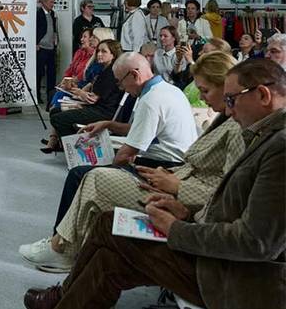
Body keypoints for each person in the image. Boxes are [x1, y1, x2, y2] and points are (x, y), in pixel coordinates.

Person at [23, 59, 286, 309]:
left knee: (109, 234)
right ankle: (63, 296)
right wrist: (185, 213)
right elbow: (232, 204)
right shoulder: (264, 135)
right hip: (213, 249)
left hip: (228, 273)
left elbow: (255, 242)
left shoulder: (277, 147)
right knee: (108, 242)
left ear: (263, 96)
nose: (229, 109)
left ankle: (62, 289)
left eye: (232, 100)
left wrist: (177, 228)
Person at [20, 52, 243, 273]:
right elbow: (141, 131)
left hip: (171, 172)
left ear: (134, 75)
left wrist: (176, 186)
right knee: (91, 176)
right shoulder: (168, 91)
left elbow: (226, 190)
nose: (121, 88)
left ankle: (61, 246)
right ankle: (63, 243)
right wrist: (109, 125)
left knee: (86, 175)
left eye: (120, 82)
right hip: (175, 171)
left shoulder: (154, 100)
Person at [41, 40, 125, 153]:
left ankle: (76, 150)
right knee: (55, 111)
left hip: (103, 112)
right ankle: (65, 144)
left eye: (104, 51)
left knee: (58, 119)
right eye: (98, 51)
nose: (99, 54)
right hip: (97, 108)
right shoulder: (104, 70)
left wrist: (78, 92)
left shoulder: (110, 73)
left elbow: (92, 99)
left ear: (113, 55)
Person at [36, 0, 58, 105]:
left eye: (53, 2)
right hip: (41, 48)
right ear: (44, 2)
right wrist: (35, 43)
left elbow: (53, 29)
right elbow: (34, 29)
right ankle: (37, 96)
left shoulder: (52, 13)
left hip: (51, 48)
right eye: (51, 2)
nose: (52, 4)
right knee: (39, 73)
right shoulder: (38, 14)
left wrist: (56, 40)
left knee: (52, 73)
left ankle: (51, 96)